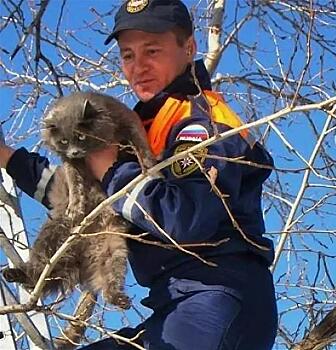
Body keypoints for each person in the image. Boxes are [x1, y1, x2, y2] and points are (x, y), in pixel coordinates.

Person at [0, 0, 278, 349]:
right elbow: (80, 198)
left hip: (218, 296)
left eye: (152, 50)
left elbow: (186, 218)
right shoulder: (139, 125)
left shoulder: (203, 122)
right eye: (128, 55)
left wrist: (111, 168)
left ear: (189, 48)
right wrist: (8, 158)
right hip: (170, 306)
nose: (138, 66)